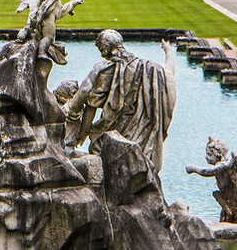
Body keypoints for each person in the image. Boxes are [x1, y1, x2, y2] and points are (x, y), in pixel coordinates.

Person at [63, 32, 176, 171]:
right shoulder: (151, 69)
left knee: (101, 154)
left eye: (101, 50)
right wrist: (168, 51)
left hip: (116, 134)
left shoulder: (105, 69)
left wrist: (83, 132)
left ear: (105, 48)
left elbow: (89, 102)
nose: (102, 55)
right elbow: (168, 72)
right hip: (143, 137)